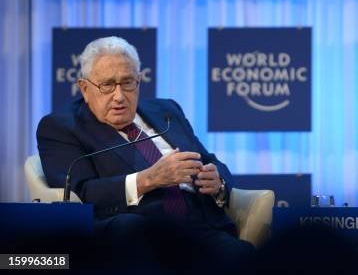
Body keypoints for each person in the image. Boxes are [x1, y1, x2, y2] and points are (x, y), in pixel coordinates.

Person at [37, 36, 253, 273]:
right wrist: (147, 179)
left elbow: (209, 159)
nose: (119, 96)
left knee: (248, 259)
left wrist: (218, 182)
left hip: (204, 229)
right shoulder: (62, 128)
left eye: (127, 82)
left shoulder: (167, 111)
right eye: (107, 85)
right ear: (85, 88)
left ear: (139, 81)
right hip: (140, 239)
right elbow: (79, 193)